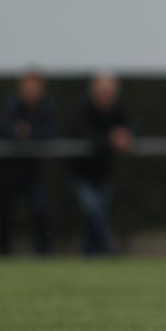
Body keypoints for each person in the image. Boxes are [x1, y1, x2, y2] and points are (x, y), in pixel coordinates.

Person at [0, 71, 57, 255]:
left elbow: (50, 134)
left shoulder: (47, 107)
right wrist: (19, 132)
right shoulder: (10, 104)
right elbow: (3, 130)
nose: (31, 91)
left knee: (40, 210)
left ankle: (43, 254)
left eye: (35, 87)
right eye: (28, 87)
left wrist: (27, 132)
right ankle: (3, 255)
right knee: (4, 215)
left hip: (32, 172)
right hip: (6, 171)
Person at [70, 73, 132, 255]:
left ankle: (89, 253)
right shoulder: (83, 108)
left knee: (96, 213)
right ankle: (109, 248)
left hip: (104, 172)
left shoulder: (118, 108)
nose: (106, 94)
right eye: (102, 90)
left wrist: (125, 135)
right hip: (81, 171)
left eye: (109, 90)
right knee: (93, 210)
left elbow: (130, 127)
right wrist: (110, 138)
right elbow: (83, 133)